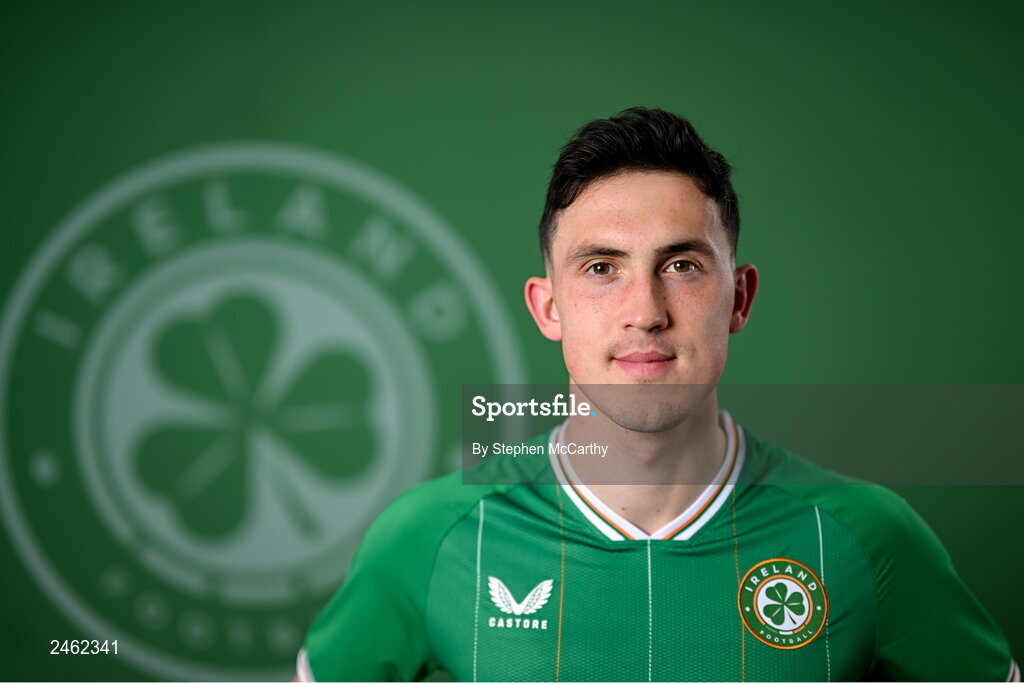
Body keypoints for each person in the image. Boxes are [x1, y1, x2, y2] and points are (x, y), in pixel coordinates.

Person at [296, 107, 1018, 681]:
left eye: (680, 264)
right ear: (549, 308)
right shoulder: (430, 537)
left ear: (738, 297)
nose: (645, 309)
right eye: (602, 267)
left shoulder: (866, 538)